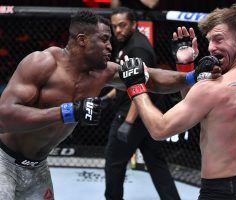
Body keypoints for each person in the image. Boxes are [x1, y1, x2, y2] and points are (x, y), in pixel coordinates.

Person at [0, 9, 221, 199]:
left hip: (37, 166)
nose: (110, 46)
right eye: (104, 39)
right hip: (3, 160)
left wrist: (191, 75)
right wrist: (68, 112)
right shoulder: (42, 63)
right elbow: (4, 116)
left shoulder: (103, 72)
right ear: (82, 39)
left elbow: (152, 78)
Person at [119, 4, 236, 200]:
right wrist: (185, 66)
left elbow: (159, 129)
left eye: (218, 39)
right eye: (209, 41)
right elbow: (203, 113)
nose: (211, 48)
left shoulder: (212, 88)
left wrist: (135, 87)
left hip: (222, 192)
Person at [102, 7, 180, 200]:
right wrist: (109, 96)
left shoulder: (137, 48)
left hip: (133, 114)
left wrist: (128, 123)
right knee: (156, 163)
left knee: (114, 163)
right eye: (115, 27)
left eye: (122, 25)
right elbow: (126, 80)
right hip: (142, 116)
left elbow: (140, 87)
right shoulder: (124, 43)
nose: (118, 30)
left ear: (134, 25)